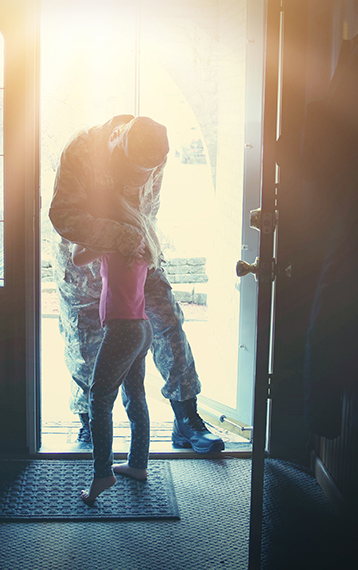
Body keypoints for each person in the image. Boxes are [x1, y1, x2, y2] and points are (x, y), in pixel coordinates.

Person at [49, 114, 224, 454]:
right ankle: (88, 421)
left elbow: (148, 208)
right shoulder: (82, 148)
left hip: (136, 249)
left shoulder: (155, 152)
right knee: (86, 339)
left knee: (169, 324)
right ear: (115, 139)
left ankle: (186, 417)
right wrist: (118, 235)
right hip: (83, 251)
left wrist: (141, 244)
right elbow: (63, 214)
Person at [73, 195, 156, 504]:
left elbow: (77, 258)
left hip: (122, 330)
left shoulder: (112, 240)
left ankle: (102, 474)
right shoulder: (142, 242)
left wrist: (87, 228)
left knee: (99, 399)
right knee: (135, 395)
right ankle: (137, 465)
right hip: (141, 327)